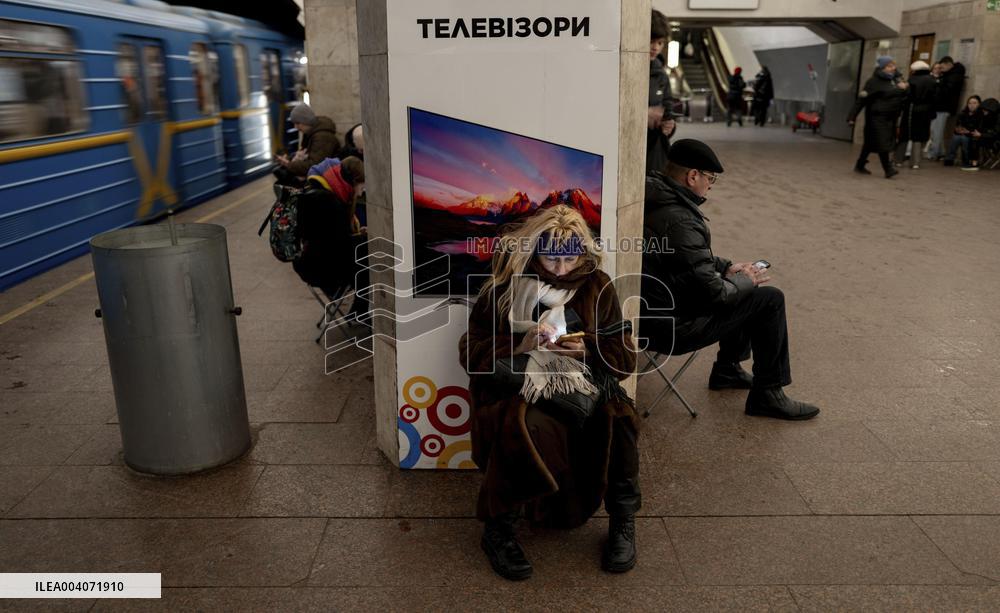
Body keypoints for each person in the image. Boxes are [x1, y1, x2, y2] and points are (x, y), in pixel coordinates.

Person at [459, 206, 640, 580]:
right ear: (533, 250)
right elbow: (470, 351)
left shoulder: (597, 285)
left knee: (618, 418)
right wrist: (520, 344)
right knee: (523, 424)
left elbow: (626, 356)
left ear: (583, 253)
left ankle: (623, 520)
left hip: (583, 389)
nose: (560, 269)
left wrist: (589, 348)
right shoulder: (506, 286)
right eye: (551, 258)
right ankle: (498, 528)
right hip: (520, 387)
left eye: (570, 258)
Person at [640, 139, 820, 421]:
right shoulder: (680, 219)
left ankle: (727, 370)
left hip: (651, 311)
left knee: (738, 285)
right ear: (693, 176)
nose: (711, 185)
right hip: (672, 327)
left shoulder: (654, 199)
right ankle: (767, 394)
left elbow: (684, 259)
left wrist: (726, 268)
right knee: (768, 299)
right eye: (711, 178)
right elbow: (717, 296)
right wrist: (745, 281)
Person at [292, 156, 368, 317]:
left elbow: (332, 240)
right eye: (361, 187)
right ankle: (362, 312)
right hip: (321, 269)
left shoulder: (319, 190)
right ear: (352, 182)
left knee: (365, 250)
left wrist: (356, 236)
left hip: (311, 260)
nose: (361, 192)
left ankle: (360, 310)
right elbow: (338, 246)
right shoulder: (328, 203)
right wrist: (361, 238)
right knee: (371, 257)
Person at [848, 56, 908, 178]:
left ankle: (860, 165)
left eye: (893, 65)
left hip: (891, 117)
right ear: (882, 68)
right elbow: (861, 100)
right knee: (883, 142)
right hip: (876, 117)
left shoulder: (897, 79)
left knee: (869, 144)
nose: (892, 68)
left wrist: (905, 88)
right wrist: (852, 116)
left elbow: (904, 95)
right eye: (889, 66)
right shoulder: (873, 82)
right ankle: (888, 169)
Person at [274, 103, 340, 185]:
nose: (296, 127)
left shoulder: (323, 137)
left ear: (307, 121)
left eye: (298, 123)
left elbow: (315, 165)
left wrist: (289, 165)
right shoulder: (310, 133)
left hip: (324, 178)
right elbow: (305, 153)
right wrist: (289, 159)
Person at [646, 9, 677, 174]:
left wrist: (669, 125)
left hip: (655, 153)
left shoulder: (660, 73)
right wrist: (643, 115)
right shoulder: (618, 69)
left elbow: (668, 106)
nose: (655, 48)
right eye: (651, 41)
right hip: (625, 150)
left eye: (660, 43)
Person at [894, 60, 937, 169]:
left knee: (905, 135)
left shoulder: (912, 80)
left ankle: (898, 160)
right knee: (918, 137)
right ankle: (915, 162)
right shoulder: (932, 80)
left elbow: (906, 96)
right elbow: (935, 98)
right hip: (925, 112)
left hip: (911, 110)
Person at [944, 95, 983, 170]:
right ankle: (950, 159)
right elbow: (958, 124)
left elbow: (979, 128)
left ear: (979, 104)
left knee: (964, 138)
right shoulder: (963, 113)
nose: (972, 105)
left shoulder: (980, 115)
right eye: (970, 103)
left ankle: (966, 160)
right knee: (956, 137)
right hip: (961, 133)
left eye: (974, 103)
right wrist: (959, 129)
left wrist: (968, 131)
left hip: (973, 135)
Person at [926, 62, 948, 160]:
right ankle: (940, 151)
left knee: (937, 132)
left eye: (939, 68)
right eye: (935, 68)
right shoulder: (928, 79)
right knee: (932, 131)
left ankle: (935, 152)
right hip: (928, 108)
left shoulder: (943, 80)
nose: (937, 70)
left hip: (939, 108)